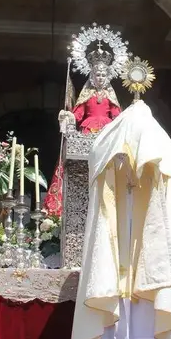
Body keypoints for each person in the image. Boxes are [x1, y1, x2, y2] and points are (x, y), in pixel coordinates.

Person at [66, 98, 171, 339]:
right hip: (116, 235)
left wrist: (145, 164)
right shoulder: (109, 147)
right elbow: (98, 159)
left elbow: (163, 181)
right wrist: (118, 162)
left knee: (146, 288)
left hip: (146, 240)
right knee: (112, 280)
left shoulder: (160, 145)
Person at [44, 47, 122, 217]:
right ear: (92, 76)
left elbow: (117, 116)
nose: (100, 78)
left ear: (107, 76)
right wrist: (68, 116)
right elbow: (78, 114)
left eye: (103, 75)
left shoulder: (110, 96)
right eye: (97, 75)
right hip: (88, 133)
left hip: (106, 134)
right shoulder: (87, 95)